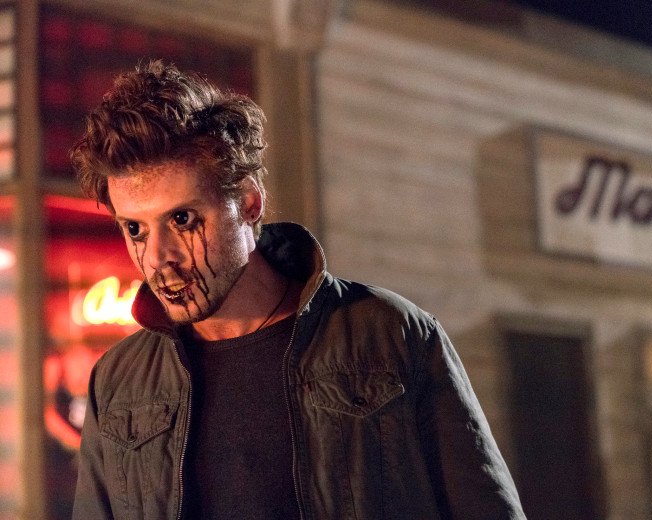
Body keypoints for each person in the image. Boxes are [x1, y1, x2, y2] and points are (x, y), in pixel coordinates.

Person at [70, 60, 525, 520]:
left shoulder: (392, 335)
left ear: (249, 203)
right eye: (135, 228)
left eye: (182, 218)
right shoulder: (118, 381)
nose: (157, 257)